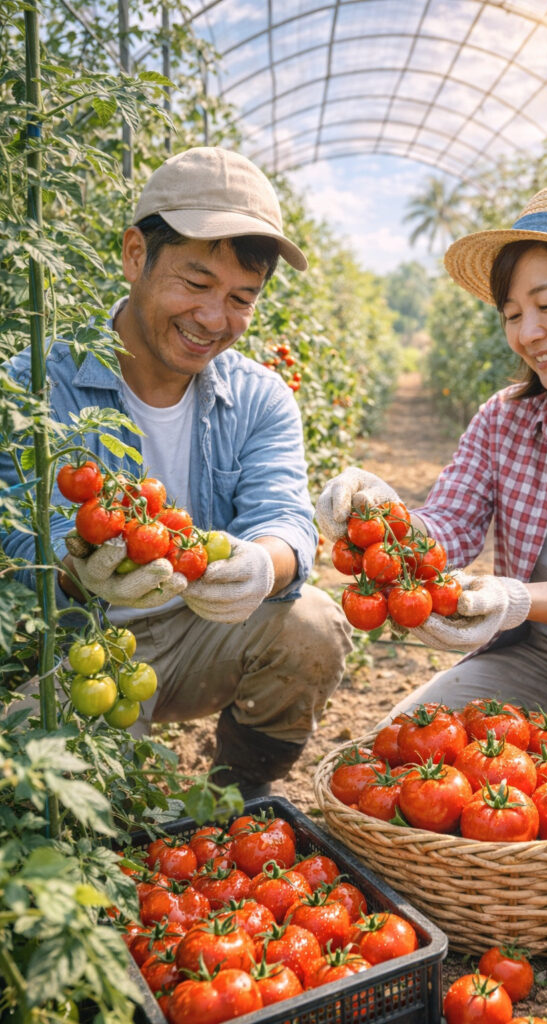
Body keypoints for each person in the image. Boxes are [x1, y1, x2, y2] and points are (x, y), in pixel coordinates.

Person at [316, 178, 547, 852]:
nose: (527, 333)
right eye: (512, 314)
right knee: (399, 749)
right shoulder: (506, 419)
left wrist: (513, 595)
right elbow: (447, 528)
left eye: (546, 304)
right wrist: (380, 517)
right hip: (534, 656)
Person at [1, 146, 352, 798]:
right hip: (79, 645)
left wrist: (261, 565)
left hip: (199, 634)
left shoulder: (259, 396)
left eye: (241, 298)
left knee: (310, 625)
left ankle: (237, 792)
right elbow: (17, 534)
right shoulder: (35, 380)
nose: (215, 319)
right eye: (194, 284)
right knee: (53, 792)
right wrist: (72, 564)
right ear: (135, 254)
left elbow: (284, 515)